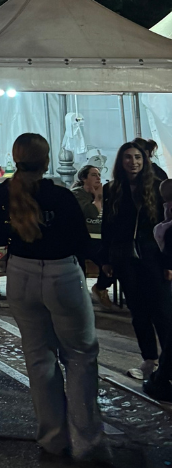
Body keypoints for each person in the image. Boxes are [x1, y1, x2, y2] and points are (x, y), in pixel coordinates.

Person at [0, 134, 105, 459]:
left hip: (21, 274)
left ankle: (53, 439)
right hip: (62, 274)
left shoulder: (2, 194)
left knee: (39, 357)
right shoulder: (60, 196)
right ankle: (87, 443)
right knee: (80, 356)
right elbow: (81, 241)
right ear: (47, 160)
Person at [101, 140, 172, 393]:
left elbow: (168, 225)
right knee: (138, 311)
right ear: (121, 161)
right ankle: (149, 360)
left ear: (145, 160)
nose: (134, 162)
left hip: (153, 256)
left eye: (138, 157)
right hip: (124, 256)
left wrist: (169, 262)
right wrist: (106, 260)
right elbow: (107, 224)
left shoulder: (157, 185)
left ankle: (168, 364)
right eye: (128, 157)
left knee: (162, 311)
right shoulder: (112, 188)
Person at [72, 165, 112, 309]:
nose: (98, 178)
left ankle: (100, 287)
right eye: (94, 175)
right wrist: (98, 198)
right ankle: (80, 296)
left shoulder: (105, 193)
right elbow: (91, 213)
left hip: (102, 238)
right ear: (84, 178)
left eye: (99, 175)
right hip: (85, 239)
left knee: (116, 258)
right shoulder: (77, 194)